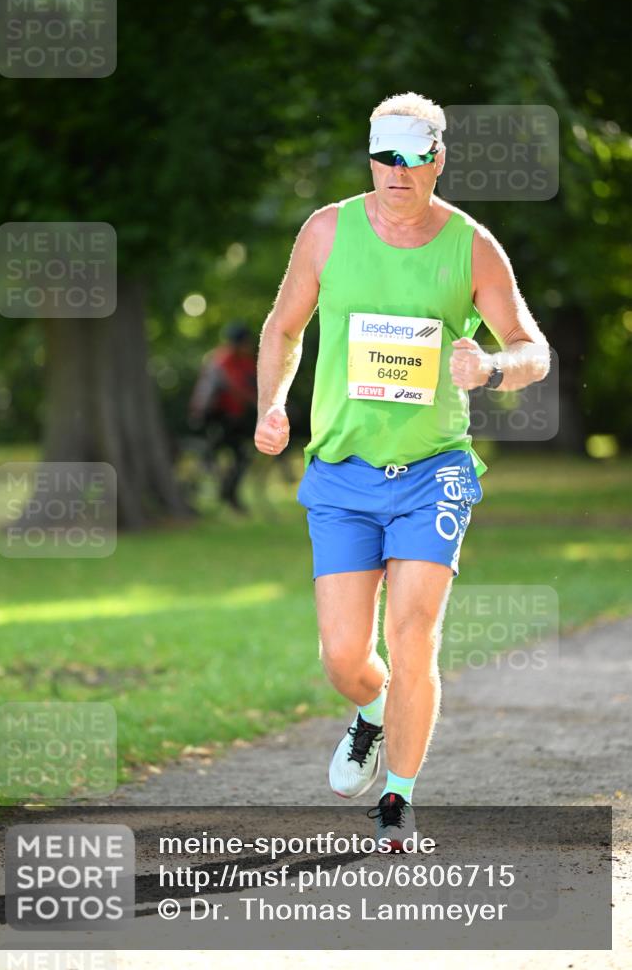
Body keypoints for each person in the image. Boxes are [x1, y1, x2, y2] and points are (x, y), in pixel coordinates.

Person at [254, 92, 550, 849]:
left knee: (413, 633)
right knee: (345, 658)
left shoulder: (470, 245)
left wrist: (486, 366)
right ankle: (371, 712)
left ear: (437, 159)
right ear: (370, 157)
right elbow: (283, 327)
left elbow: (531, 348)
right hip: (343, 473)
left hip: (432, 470)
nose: (397, 170)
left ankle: (397, 799)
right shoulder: (326, 231)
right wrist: (271, 405)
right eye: (384, 155)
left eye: (413, 156)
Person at [190, 321, 257, 512]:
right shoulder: (221, 360)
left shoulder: (243, 361)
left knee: (241, 456)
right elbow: (235, 388)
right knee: (230, 453)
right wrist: (257, 401)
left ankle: (228, 491)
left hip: (233, 417)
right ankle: (224, 490)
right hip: (215, 416)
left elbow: (254, 382)